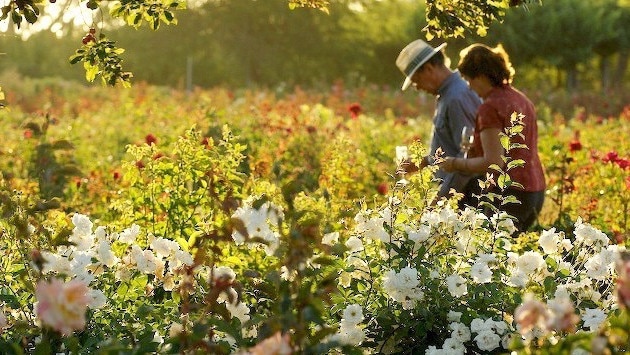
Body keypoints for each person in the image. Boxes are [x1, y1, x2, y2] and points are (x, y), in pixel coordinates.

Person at [440, 43, 546, 233]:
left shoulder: (490, 107)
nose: (470, 88)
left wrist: (455, 163)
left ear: (480, 76)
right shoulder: (521, 99)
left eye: (469, 80)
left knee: (488, 253)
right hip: (535, 190)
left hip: (510, 194)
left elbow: (493, 162)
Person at [395, 39, 481, 200]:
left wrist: (440, 200)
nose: (418, 88)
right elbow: (449, 149)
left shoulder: (456, 97)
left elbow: (467, 156)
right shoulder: (447, 95)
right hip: (460, 191)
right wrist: (421, 162)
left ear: (428, 69)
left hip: (469, 192)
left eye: (416, 82)